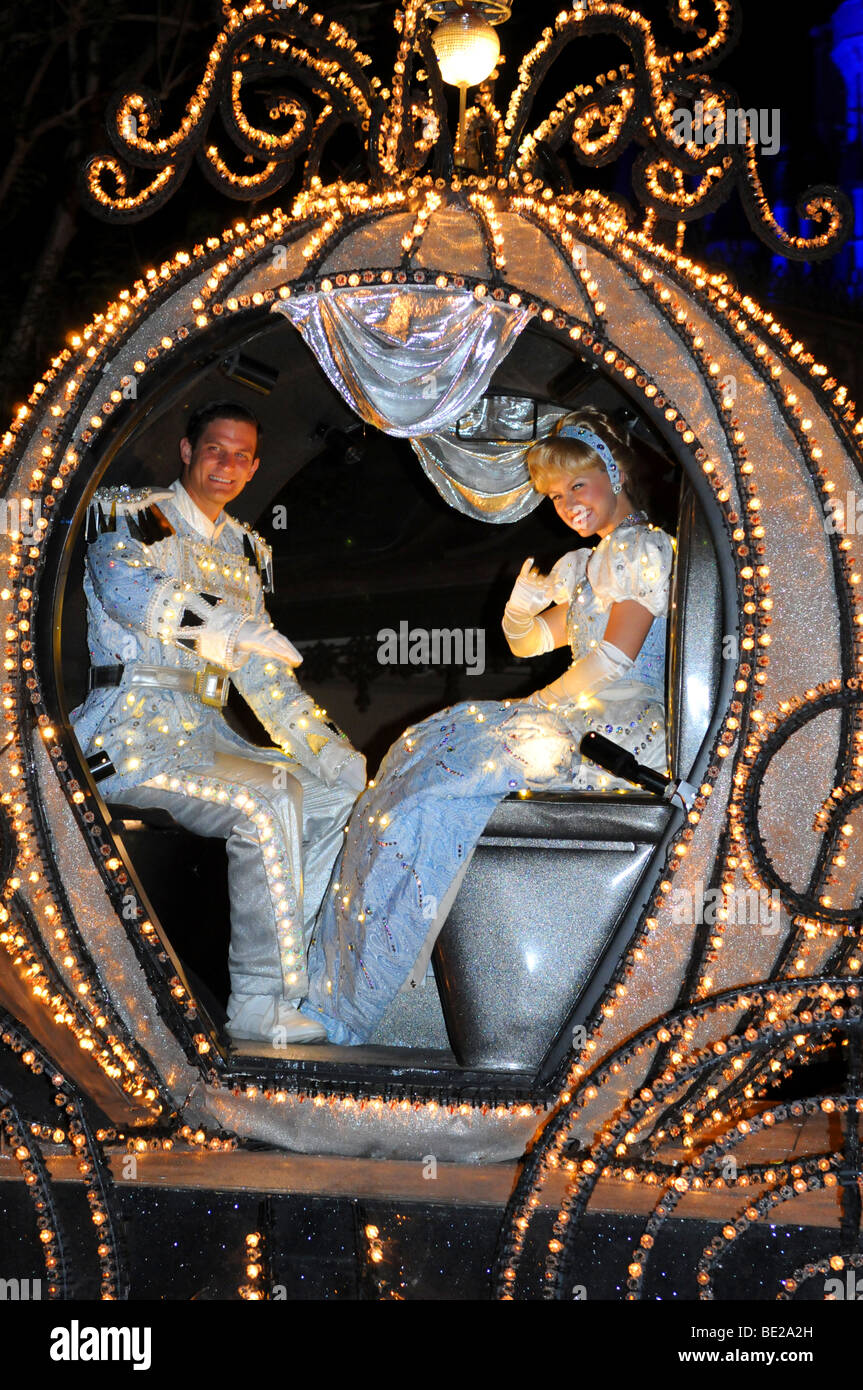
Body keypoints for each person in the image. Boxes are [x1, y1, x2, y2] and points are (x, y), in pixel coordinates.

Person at [300, 407, 674, 1044]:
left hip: (622, 727)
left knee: (446, 765)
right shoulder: (589, 567)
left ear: (613, 475)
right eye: (556, 496)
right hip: (582, 712)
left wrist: (544, 706)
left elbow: (614, 658)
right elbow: (529, 645)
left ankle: (370, 996)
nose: (566, 505)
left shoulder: (643, 548)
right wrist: (521, 611)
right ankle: (352, 988)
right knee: (419, 754)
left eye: (576, 486)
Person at [71, 401, 366, 1046]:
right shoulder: (134, 516)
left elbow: (264, 680)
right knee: (265, 798)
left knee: (328, 790)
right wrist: (222, 624)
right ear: (187, 451)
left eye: (241, 455)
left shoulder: (245, 552)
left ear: (255, 466)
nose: (226, 465)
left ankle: (299, 984)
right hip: (130, 733)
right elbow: (125, 591)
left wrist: (327, 747)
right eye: (215, 450)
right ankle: (258, 1003)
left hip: (207, 737)